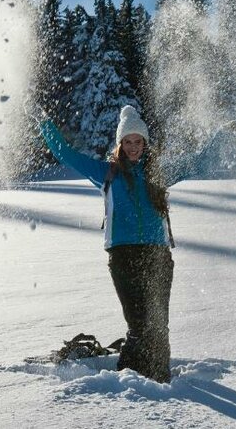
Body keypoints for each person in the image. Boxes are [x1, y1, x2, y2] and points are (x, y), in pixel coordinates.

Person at [39, 105, 190, 383]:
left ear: (145, 143)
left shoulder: (158, 173)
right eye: (128, 142)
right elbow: (67, 155)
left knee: (158, 324)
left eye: (138, 141)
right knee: (138, 323)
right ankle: (129, 378)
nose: (133, 147)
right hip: (123, 256)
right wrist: (46, 126)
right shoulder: (107, 172)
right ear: (120, 144)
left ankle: (159, 377)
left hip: (157, 255)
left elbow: (196, 162)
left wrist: (224, 135)